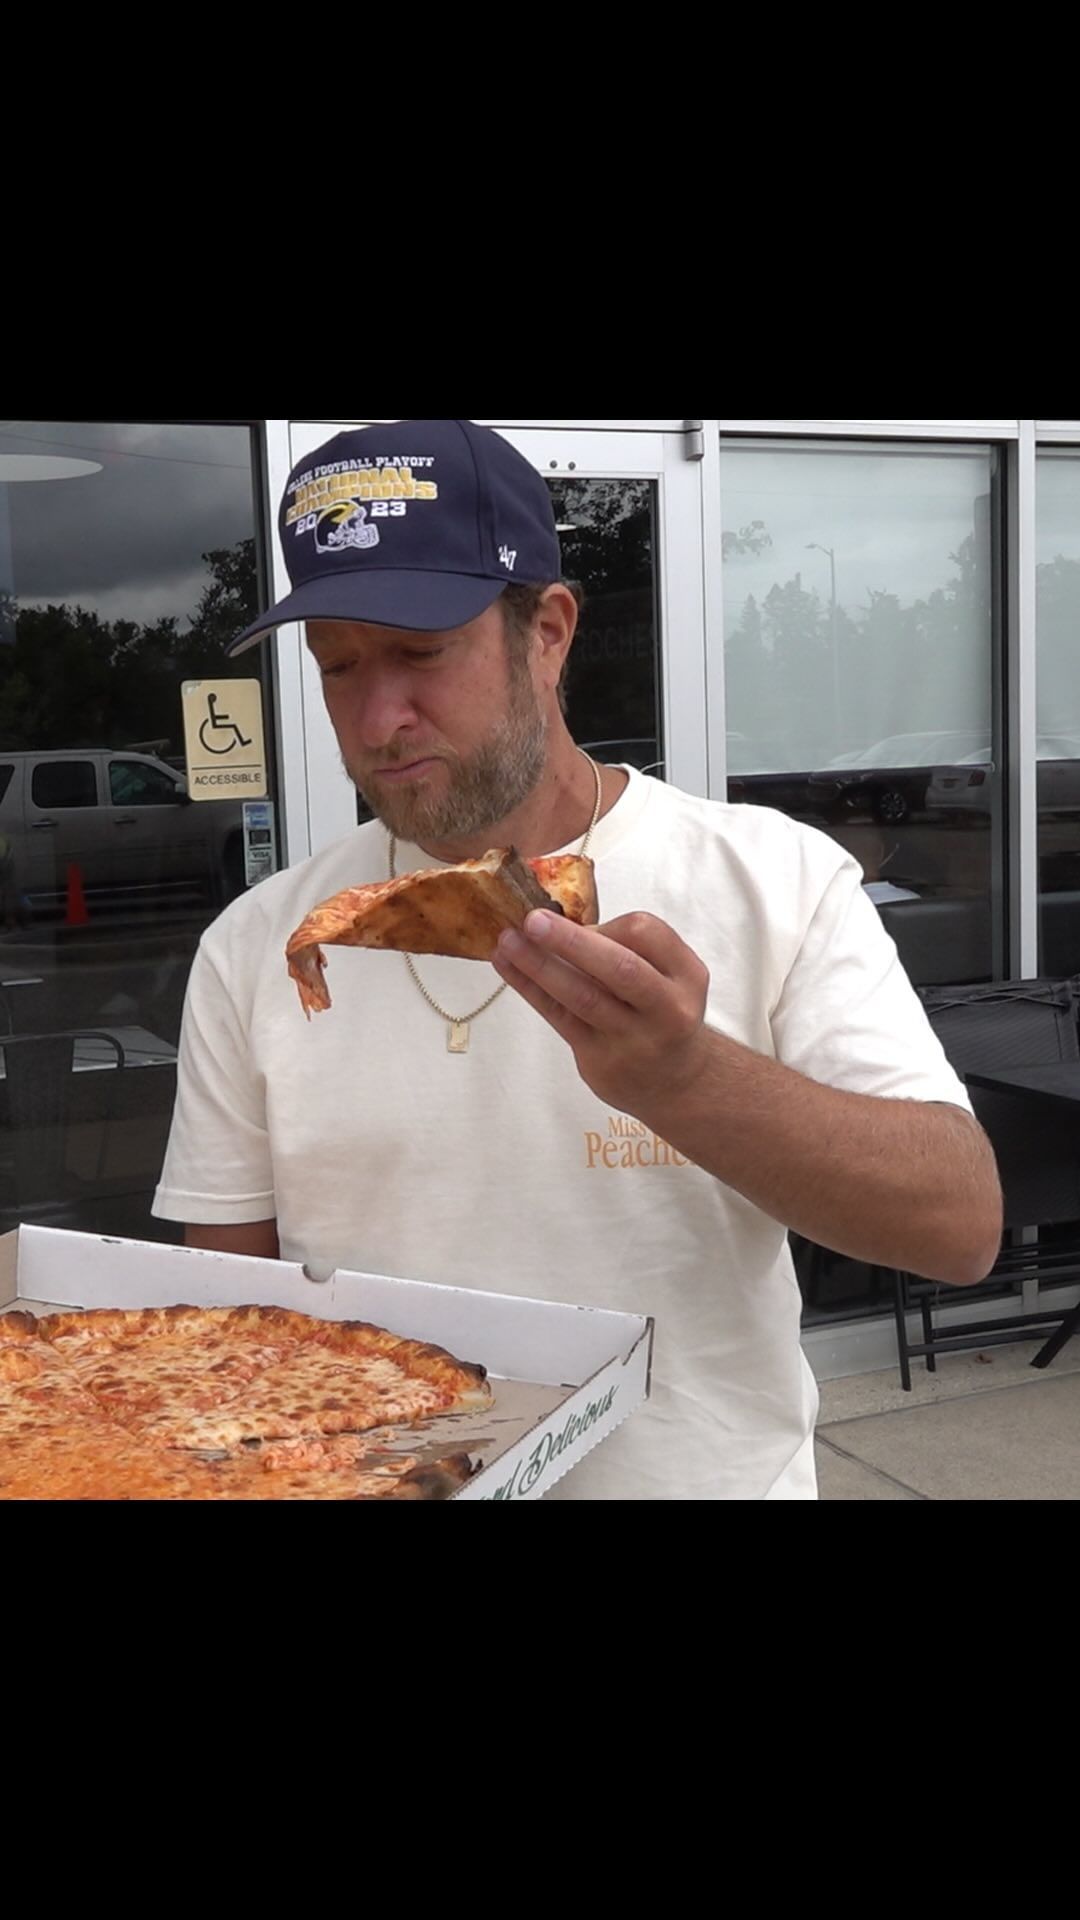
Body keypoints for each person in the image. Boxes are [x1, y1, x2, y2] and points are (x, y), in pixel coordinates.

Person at [152, 420, 1003, 1500]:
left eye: (420, 653)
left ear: (548, 632)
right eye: (337, 665)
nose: (376, 718)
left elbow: (959, 1227)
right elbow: (229, 1323)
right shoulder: (260, 945)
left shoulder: (771, 877)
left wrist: (685, 1080)